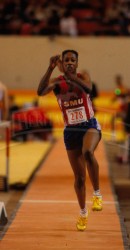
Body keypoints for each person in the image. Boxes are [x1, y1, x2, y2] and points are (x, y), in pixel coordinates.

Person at [37, 50, 102, 231]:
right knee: (79, 179)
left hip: (89, 125)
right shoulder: (58, 83)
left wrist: (68, 74)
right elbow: (40, 91)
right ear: (62, 63)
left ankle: (97, 194)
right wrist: (50, 69)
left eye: (73, 60)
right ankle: (83, 213)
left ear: (77, 63)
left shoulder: (83, 76)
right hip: (71, 131)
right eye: (67, 60)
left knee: (88, 152)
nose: (70, 62)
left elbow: (88, 89)